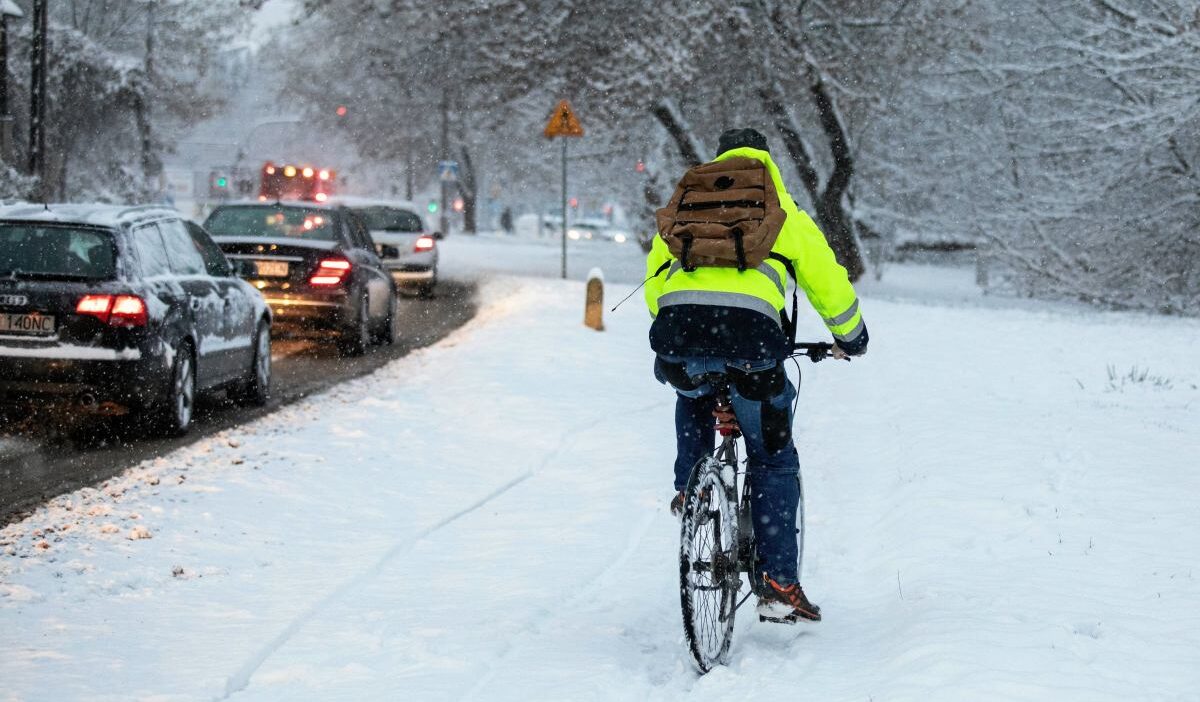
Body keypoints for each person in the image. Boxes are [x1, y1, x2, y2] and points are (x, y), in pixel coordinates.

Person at [644, 128, 868, 623]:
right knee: (772, 458)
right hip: (753, 347)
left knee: (694, 389)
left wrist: (688, 328)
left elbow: (652, 287)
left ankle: (692, 488)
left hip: (680, 337)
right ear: (767, 164)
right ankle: (777, 582)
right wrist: (851, 337)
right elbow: (829, 284)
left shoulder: (690, 207)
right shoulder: (783, 213)